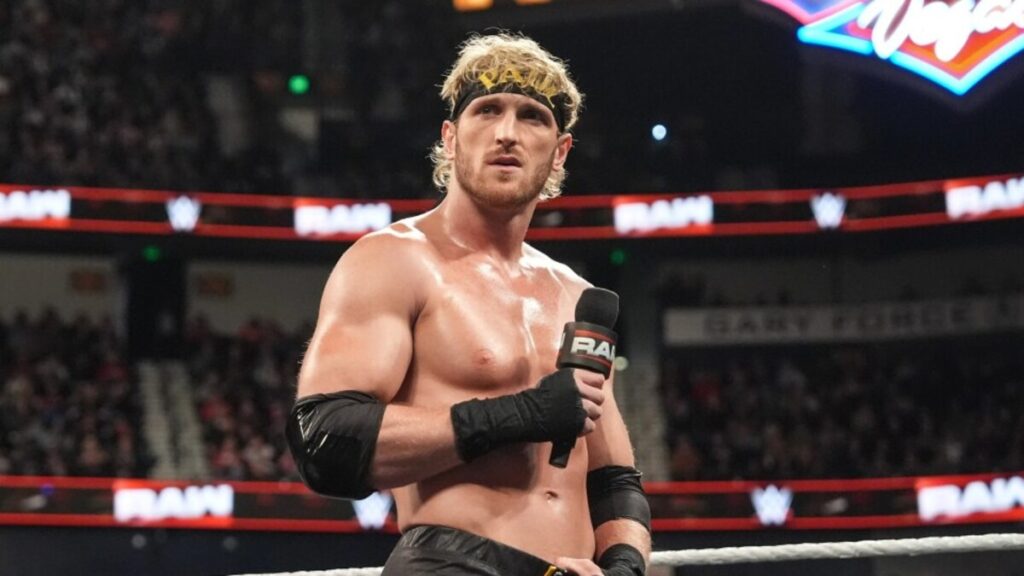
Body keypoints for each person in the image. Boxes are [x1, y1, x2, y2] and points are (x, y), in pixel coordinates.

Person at [286, 32, 651, 576]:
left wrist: (623, 566)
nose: (507, 133)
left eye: (532, 117)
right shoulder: (394, 261)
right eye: (487, 111)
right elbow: (325, 439)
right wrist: (519, 414)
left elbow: (614, 480)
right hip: (451, 562)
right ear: (451, 137)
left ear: (560, 152)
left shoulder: (574, 293)